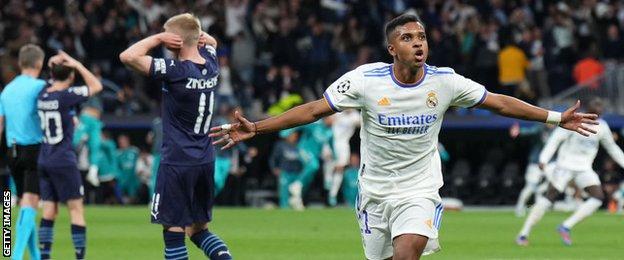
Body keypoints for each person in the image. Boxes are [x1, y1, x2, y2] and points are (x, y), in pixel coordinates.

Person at [210, 14, 598, 259]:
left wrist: (553, 118)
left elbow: (496, 102)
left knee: (407, 253)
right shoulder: (364, 80)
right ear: (391, 48)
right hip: (375, 192)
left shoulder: (445, 81)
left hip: (420, 189)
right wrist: (257, 128)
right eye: (409, 38)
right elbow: (313, 110)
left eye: (422, 36)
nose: (419, 43)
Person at [119, 13, 232, 260]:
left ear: (175, 40)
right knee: (198, 230)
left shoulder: (175, 69)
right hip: (204, 159)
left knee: (174, 231)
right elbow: (212, 44)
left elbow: (127, 56)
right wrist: (198, 36)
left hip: (177, 161)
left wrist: (158, 37)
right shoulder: (212, 64)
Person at [516, 98, 623, 246]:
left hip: (584, 168)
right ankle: (523, 233)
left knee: (597, 197)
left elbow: (612, 148)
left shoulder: (602, 127)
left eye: (597, 115)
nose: (595, 118)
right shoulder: (575, 120)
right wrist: (544, 158)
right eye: (593, 114)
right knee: (549, 198)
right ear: (588, 111)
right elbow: (555, 139)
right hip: (565, 166)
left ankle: (565, 226)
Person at [37, 50, 103, 260]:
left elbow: (52, 80)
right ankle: (79, 257)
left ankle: (45, 256)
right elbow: (96, 86)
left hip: (44, 158)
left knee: (49, 211)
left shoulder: (43, 94)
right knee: (76, 210)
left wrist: (52, 67)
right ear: (72, 76)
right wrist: (77, 64)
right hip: (64, 160)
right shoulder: (66, 96)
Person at [0, 44, 46, 260]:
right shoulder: (40, 87)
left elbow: (0, 124)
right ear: (40, 63)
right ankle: (16, 256)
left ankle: (35, 256)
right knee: (30, 202)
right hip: (34, 149)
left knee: (26, 203)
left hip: (12, 151)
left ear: (20, 63)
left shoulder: (7, 90)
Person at [509, 122, 555, 217]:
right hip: (536, 163)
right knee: (530, 187)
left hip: (550, 163)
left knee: (555, 183)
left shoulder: (556, 131)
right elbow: (529, 131)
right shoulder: (539, 129)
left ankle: (539, 197)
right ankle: (520, 206)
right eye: (551, 122)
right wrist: (519, 132)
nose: (552, 124)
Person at [328, 109, 360, 206]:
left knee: (341, 166)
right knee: (334, 164)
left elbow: (363, 123)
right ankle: (329, 182)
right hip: (332, 140)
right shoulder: (338, 112)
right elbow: (328, 121)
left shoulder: (355, 115)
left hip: (344, 143)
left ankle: (332, 192)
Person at [269, 130, 305, 209]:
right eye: (292, 135)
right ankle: (284, 208)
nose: (294, 137)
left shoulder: (300, 145)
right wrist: (274, 168)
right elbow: (273, 158)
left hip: (297, 173)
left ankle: (296, 206)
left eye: (295, 135)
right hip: (285, 172)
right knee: (284, 191)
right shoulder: (280, 145)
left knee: (296, 191)